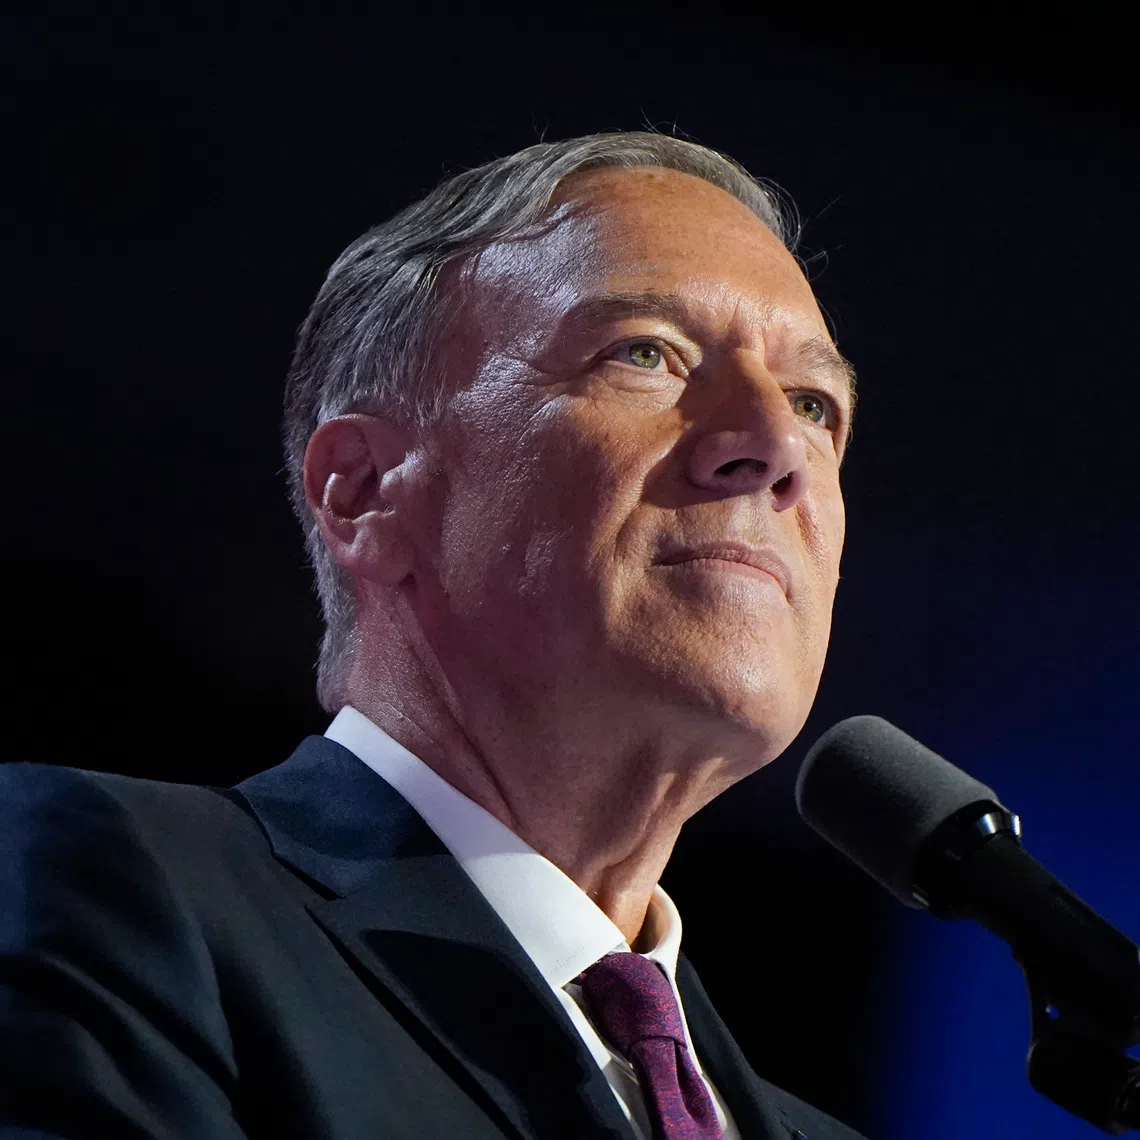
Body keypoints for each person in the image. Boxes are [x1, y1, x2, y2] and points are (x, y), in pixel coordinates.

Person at [0, 132, 865, 1139]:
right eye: (645, 352)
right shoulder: (119, 894)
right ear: (364, 492)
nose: (773, 446)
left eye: (815, 404)